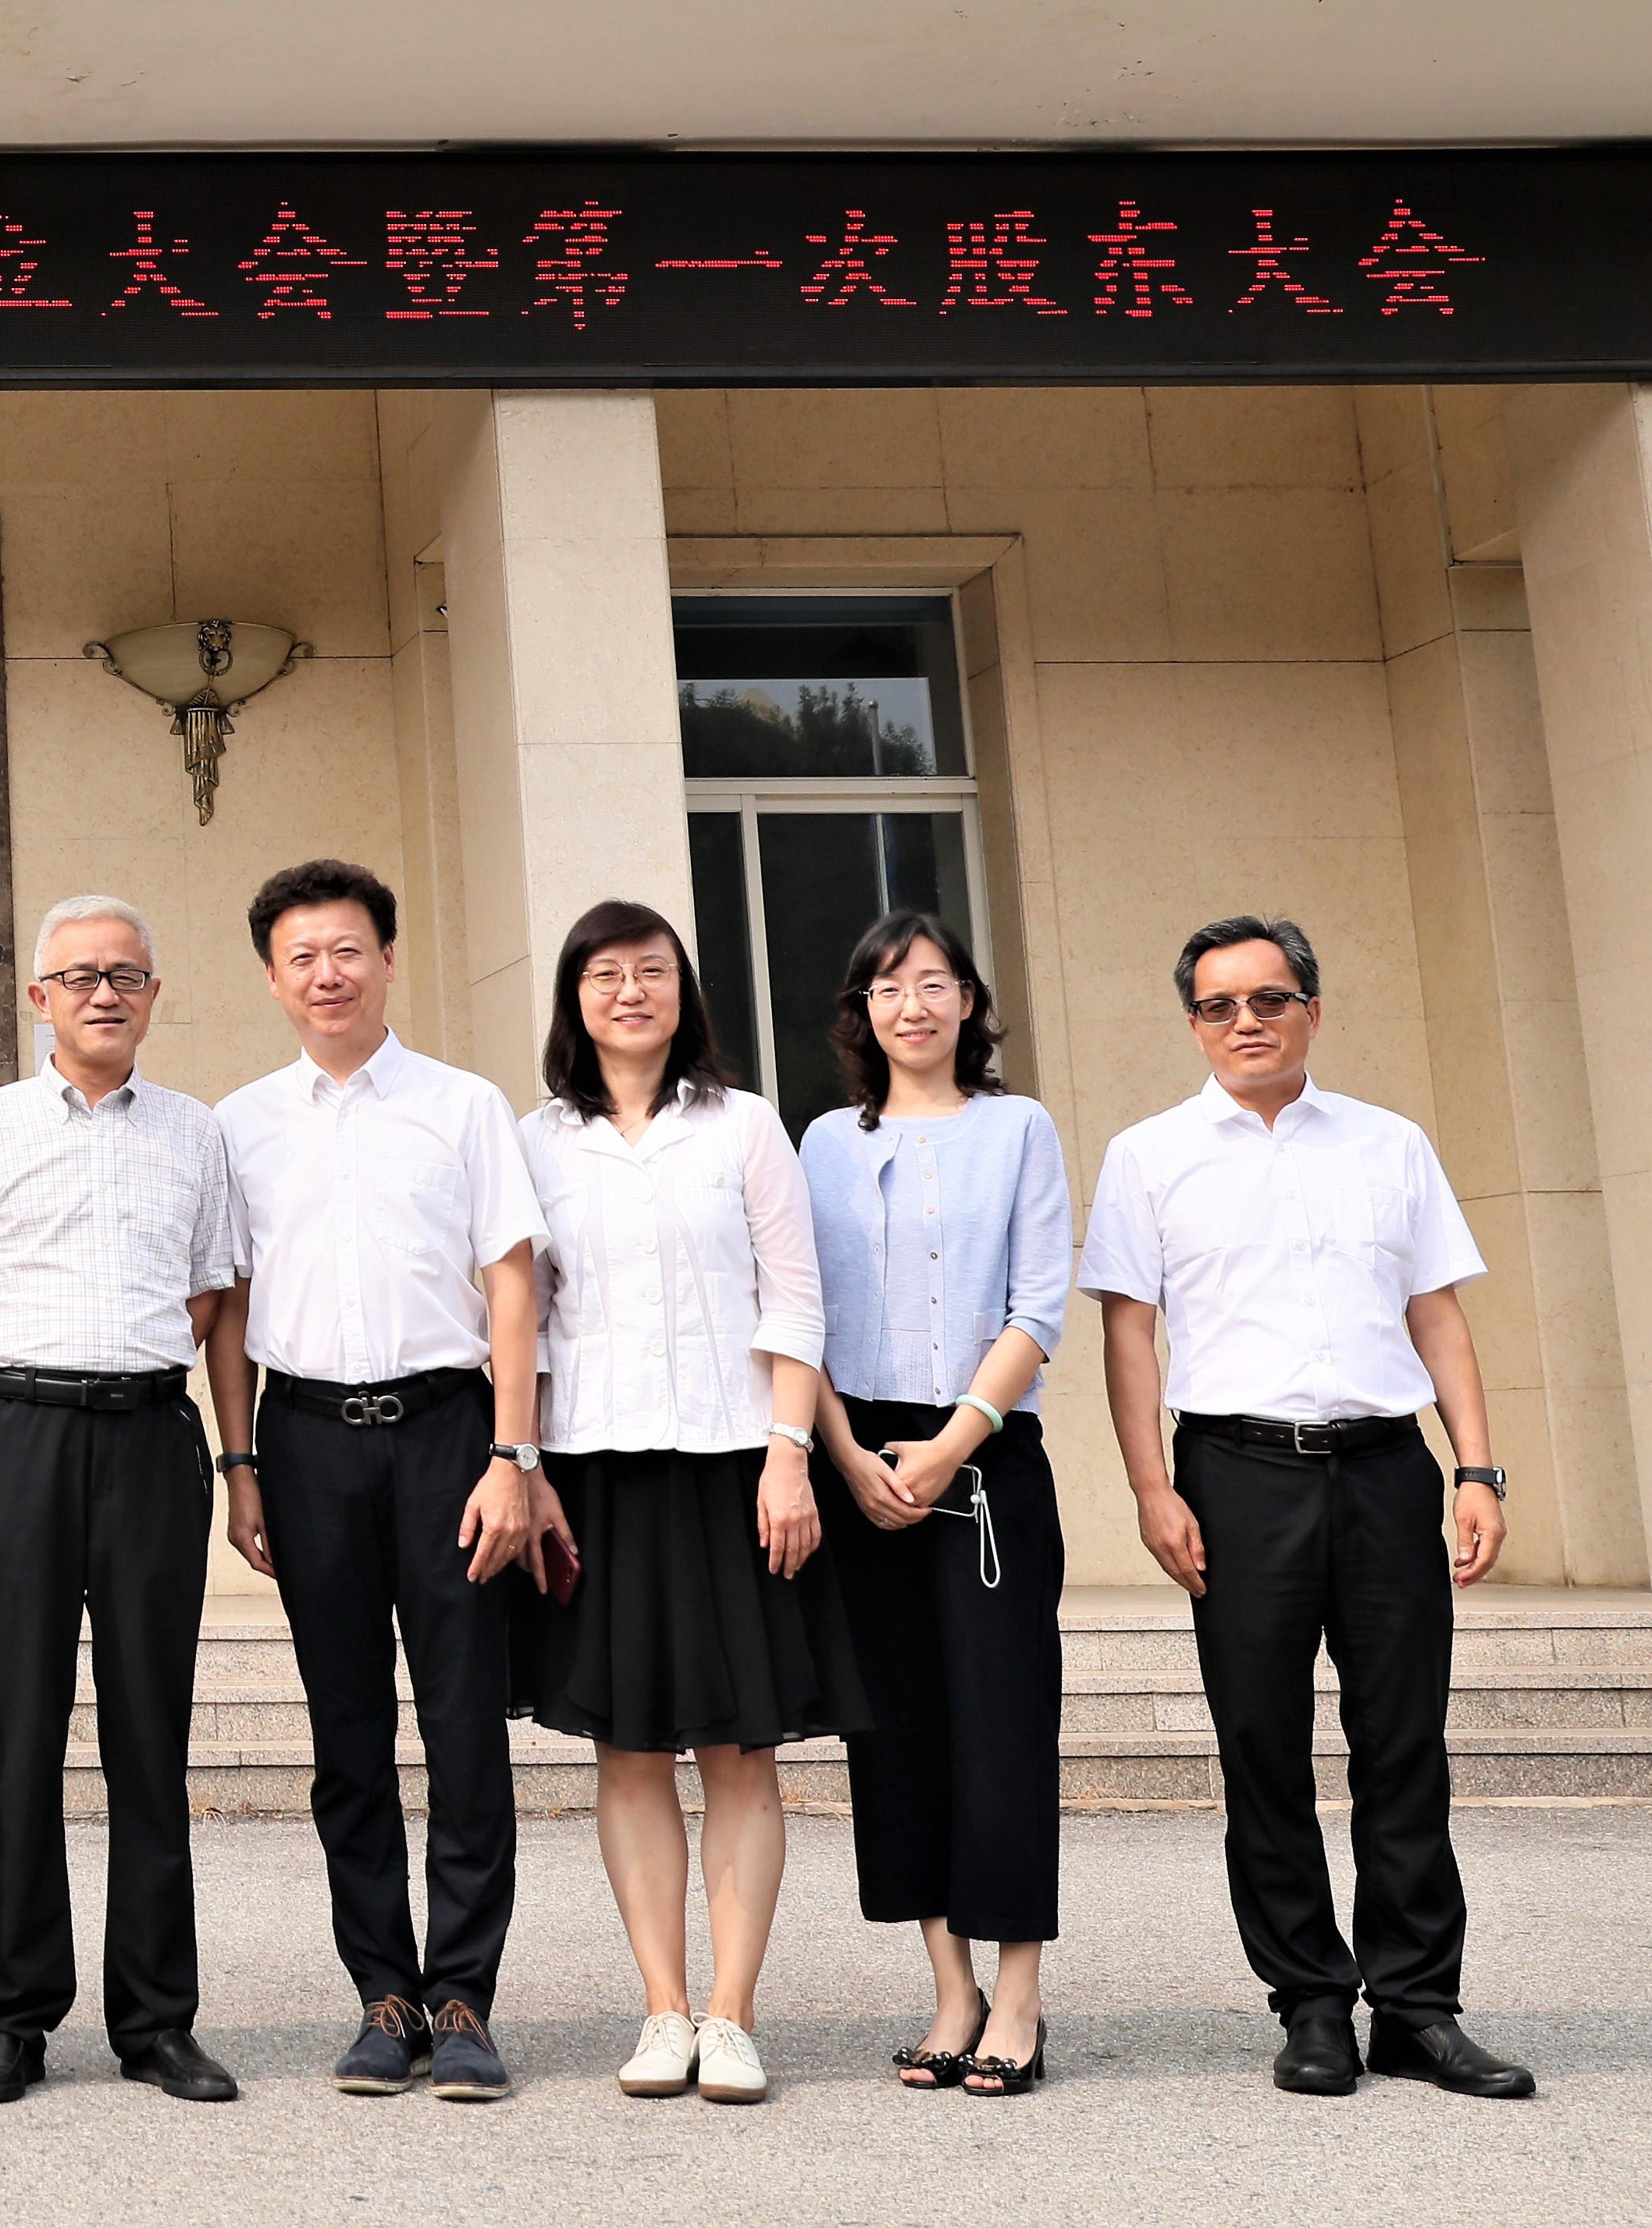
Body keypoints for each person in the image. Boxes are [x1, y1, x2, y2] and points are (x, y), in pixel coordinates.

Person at [1085, 915, 1535, 2101]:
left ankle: (1418, 2008)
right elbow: (1128, 1334)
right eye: (1219, 1004)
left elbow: (1436, 1313)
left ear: (1312, 1011)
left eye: (1269, 999)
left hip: (1386, 1469)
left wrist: (1476, 1469)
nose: (1246, 1021)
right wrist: (1150, 1487)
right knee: (1263, 1747)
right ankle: (1312, 2003)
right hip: (1236, 1475)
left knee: (1405, 1744)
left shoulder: (1390, 1144)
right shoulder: (1147, 1156)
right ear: (1193, 1023)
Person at [512, 899, 867, 2107]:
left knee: (738, 1748)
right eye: (604, 974)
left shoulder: (744, 1124)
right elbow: (522, 1320)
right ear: (573, 997)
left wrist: (788, 1453)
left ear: (682, 989)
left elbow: (794, 1298)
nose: (629, 991)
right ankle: (662, 2008)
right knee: (624, 1752)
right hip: (595, 1473)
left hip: (734, 1466)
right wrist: (527, 1465)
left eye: (650, 970)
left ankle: (733, 2013)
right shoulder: (536, 1141)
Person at [205, 859, 546, 2100]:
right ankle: (381, 1995)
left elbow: (512, 1282)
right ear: (271, 977)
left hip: (450, 1433)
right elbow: (229, 1306)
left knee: (462, 1726)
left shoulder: (462, 1105)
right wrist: (239, 1463)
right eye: (301, 955)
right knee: (344, 1731)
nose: (327, 973)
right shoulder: (239, 1122)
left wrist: (513, 1454)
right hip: (304, 1441)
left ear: (387, 959)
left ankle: (461, 1998)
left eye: (347, 949)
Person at [0, 894, 243, 2106]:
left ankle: (156, 2020)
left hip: (151, 1438)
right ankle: (12, 2017)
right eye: (79, 976)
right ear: (37, 997)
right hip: (19, 1435)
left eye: (125, 974)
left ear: (152, 994)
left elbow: (211, 1293)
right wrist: (29, 1380)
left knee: (149, 1735)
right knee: (18, 1731)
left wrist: (170, 1404)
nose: (103, 993)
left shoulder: (196, 1132)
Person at [796, 909, 1073, 2097]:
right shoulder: (820, 1141)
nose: (910, 1005)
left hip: (984, 1457)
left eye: (932, 982)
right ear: (861, 1012)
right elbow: (794, 1309)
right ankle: (950, 1989)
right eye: (886, 987)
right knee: (897, 1729)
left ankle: (1018, 1997)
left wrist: (952, 1445)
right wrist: (846, 1453)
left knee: (1000, 1725)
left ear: (968, 1000)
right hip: (856, 1460)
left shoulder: (1019, 1129)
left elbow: (1036, 1308)